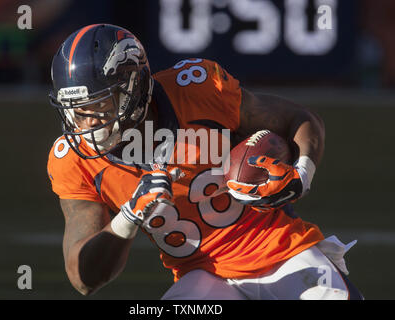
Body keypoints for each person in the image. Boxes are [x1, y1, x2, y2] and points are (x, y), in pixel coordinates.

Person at [47, 23, 363, 300]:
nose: (84, 124)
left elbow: (299, 118)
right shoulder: (73, 161)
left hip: (281, 250)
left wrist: (301, 174)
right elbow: (83, 278)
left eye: (99, 106)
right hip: (203, 275)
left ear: (134, 88)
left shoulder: (197, 89)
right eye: (75, 110)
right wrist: (128, 218)